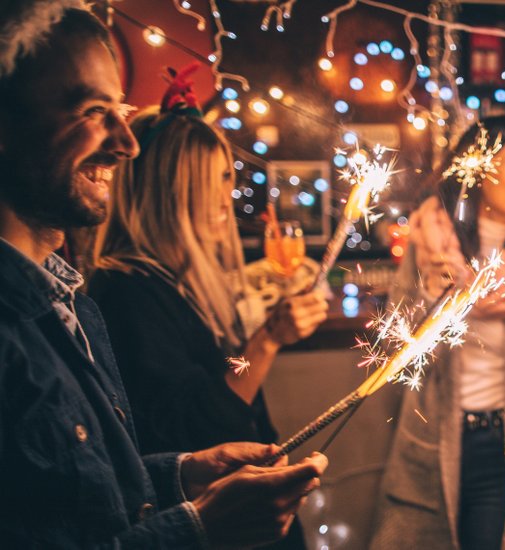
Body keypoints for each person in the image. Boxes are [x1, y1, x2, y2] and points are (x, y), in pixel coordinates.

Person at [0, 3, 327, 547]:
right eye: (91, 110)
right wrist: (199, 528)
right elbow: (186, 415)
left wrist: (179, 472)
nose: (125, 144)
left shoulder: (74, 303)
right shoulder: (125, 290)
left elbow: (87, 485)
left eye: (120, 111)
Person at [87, 70, 328, 547]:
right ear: (168, 191)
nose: (226, 197)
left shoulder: (180, 283)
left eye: (226, 176)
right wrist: (269, 339)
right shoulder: (126, 291)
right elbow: (192, 429)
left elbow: (219, 381)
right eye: (211, 180)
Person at [369, 116, 505, 550]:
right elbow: (396, 357)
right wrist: (428, 309)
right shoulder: (430, 245)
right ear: (478, 167)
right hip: (430, 449)